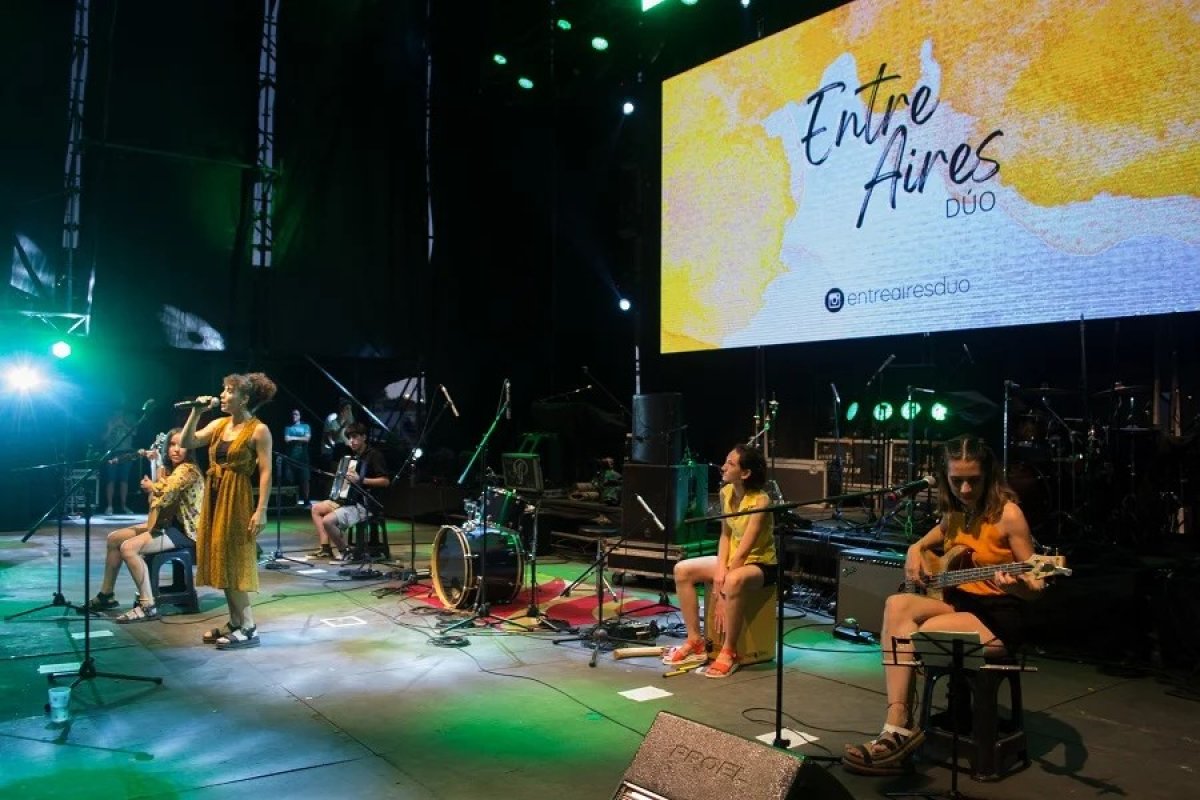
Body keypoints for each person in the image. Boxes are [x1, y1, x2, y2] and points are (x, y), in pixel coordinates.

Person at [841, 434, 1045, 776]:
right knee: (897, 606)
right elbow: (938, 533)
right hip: (961, 606)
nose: (965, 489)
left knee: (913, 634)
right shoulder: (957, 510)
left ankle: (898, 734)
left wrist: (1020, 586)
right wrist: (915, 549)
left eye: (973, 480)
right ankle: (897, 723)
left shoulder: (1008, 515)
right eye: (957, 480)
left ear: (989, 475)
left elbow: (1037, 586)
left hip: (997, 618)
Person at [180, 372, 276, 650]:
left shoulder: (259, 430)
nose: (222, 395)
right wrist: (196, 412)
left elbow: (266, 472)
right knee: (220, 557)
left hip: (236, 497)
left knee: (233, 560)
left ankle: (248, 626)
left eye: (229, 391)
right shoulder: (219, 424)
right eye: (224, 390)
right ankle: (235, 621)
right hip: (215, 496)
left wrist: (261, 510)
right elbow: (187, 442)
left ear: (244, 398)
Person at [663, 443, 776, 679]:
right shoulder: (726, 493)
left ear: (745, 473)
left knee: (732, 581)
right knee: (682, 570)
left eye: (730, 464)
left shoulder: (761, 502)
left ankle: (729, 650)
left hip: (760, 564)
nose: (723, 467)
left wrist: (722, 586)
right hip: (733, 558)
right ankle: (695, 639)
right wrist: (720, 570)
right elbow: (725, 535)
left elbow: (745, 551)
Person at [87, 429, 204, 621]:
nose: (176, 449)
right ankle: (106, 595)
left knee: (128, 548)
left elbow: (163, 496)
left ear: (190, 448)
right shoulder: (172, 469)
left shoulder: (187, 470)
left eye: (182, 445)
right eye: (172, 444)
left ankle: (148, 605)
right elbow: (154, 503)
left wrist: (152, 486)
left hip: (187, 532)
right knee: (114, 538)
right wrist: (155, 468)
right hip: (169, 524)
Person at [308, 422, 390, 561]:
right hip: (349, 500)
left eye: (355, 437)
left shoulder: (374, 455)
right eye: (350, 438)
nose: (352, 441)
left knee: (328, 521)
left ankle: (346, 551)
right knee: (316, 509)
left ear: (364, 437)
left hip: (365, 504)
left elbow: (385, 481)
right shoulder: (353, 458)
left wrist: (361, 480)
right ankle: (325, 548)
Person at [98, 405, 138, 515]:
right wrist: (111, 427)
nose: (118, 412)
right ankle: (109, 506)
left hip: (126, 453)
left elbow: (134, 433)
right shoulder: (108, 419)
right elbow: (102, 438)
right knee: (111, 479)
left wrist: (123, 424)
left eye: (120, 410)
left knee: (124, 480)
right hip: (112, 453)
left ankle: (124, 506)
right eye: (116, 410)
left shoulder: (130, 418)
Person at [281, 409, 312, 505]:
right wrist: (300, 438)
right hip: (290, 458)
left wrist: (293, 438)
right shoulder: (288, 427)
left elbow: (307, 439)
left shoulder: (305, 426)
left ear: (300, 416)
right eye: (293, 414)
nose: (294, 416)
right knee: (289, 480)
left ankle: (306, 500)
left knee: (305, 479)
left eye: (296, 414)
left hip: (303, 458)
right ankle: (290, 501)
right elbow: (287, 439)